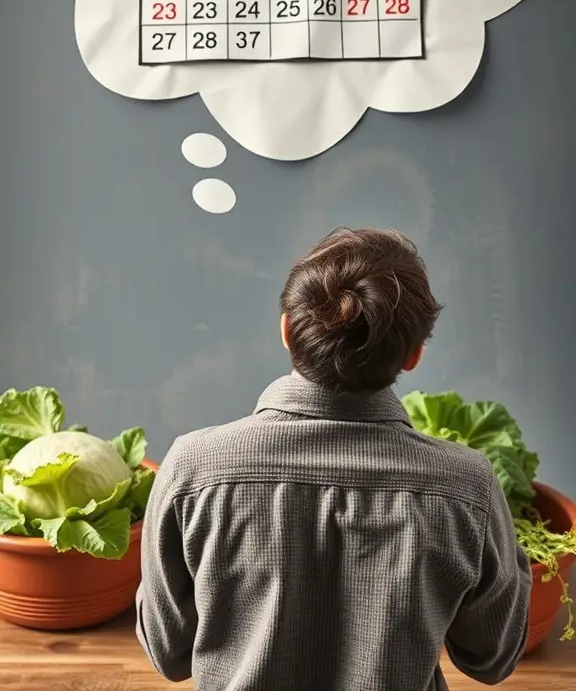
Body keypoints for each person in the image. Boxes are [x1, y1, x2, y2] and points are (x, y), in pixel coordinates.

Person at [136, 227, 531, 690]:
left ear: (286, 330)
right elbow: (492, 658)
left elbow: (168, 654)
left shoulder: (191, 468)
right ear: (414, 355)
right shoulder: (467, 485)